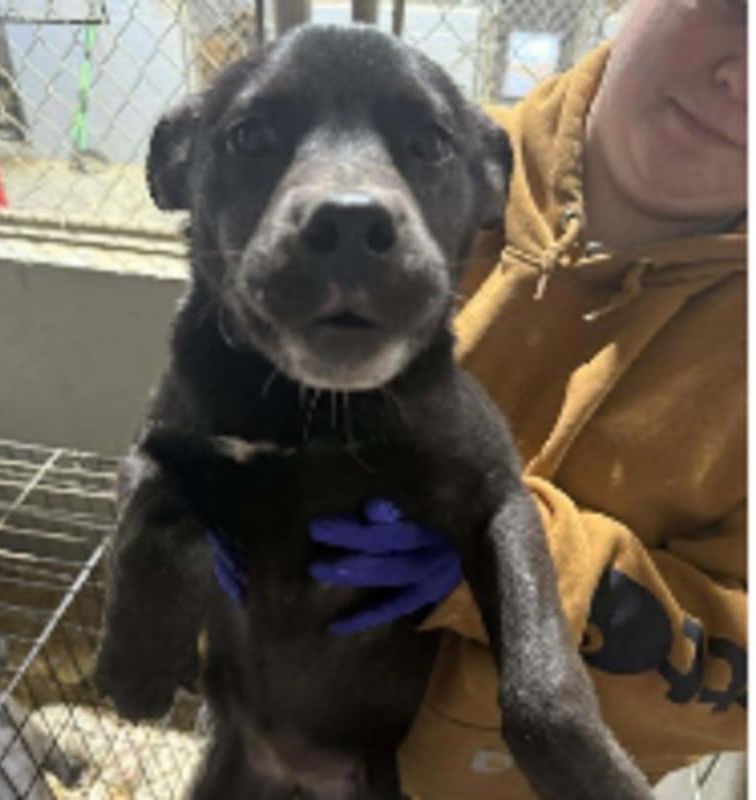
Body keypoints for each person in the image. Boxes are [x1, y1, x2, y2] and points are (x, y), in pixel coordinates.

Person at [304, 0, 747, 796]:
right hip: (283, 716)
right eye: (734, 12)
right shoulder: (397, 172)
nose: (745, 80)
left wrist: (518, 563)